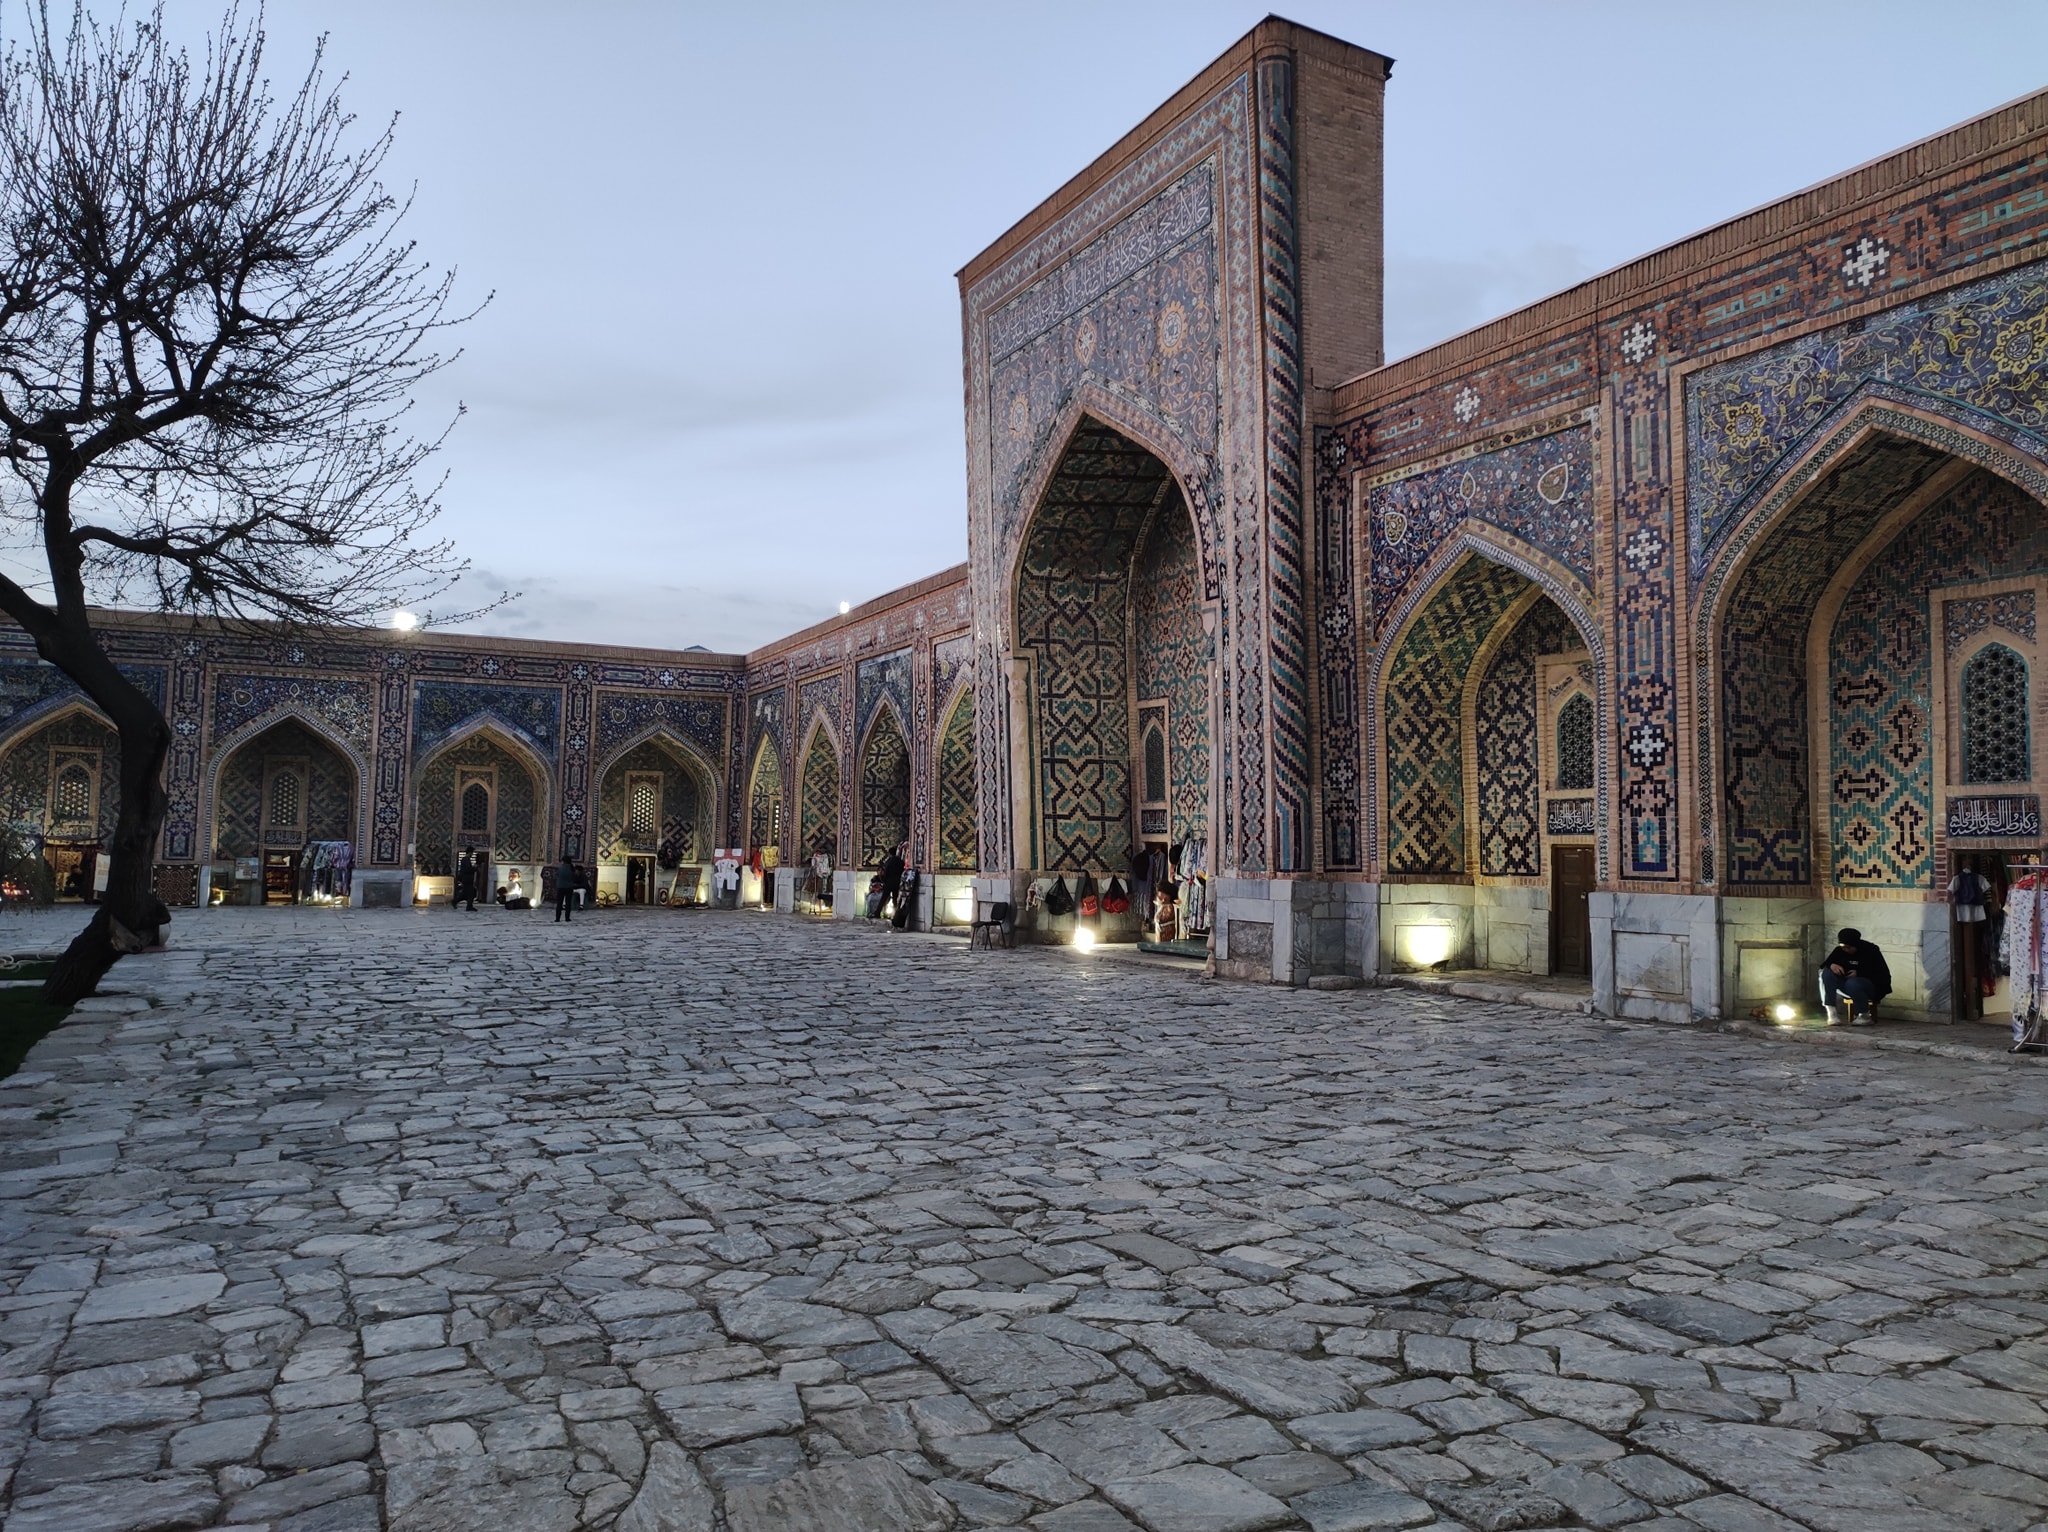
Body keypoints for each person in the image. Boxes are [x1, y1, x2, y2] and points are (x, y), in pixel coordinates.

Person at [1820, 927, 1892, 1025]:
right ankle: (1831, 1012)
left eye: (1849, 947)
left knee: (1853, 983)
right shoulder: (1840, 951)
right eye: (1843, 947)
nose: (1846, 950)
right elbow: (1825, 964)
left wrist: (1859, 973)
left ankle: (1864, 1015)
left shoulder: (1870, 950)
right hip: (1847, 986)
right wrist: (1832, 965)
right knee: (1826, 974)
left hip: (1870, 987)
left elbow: (1881, 973)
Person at [878, 842, 905, 920]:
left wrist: (885, 880)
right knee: (895, 899)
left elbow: (886, 872)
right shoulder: (900, 861)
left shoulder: (889, 862)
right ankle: (896, 914)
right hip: (897, 882)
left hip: (889, 883)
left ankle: (877, 912)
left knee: (884, 898)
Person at [555, 852, 577, 923]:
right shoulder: (571, 868)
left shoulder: (560, 868)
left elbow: (557, 875)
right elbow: (574, 877)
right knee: (568, 903)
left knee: (559, 903)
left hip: (560, 887)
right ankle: (567, 918)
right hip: (569, 887)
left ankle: (557, 918)